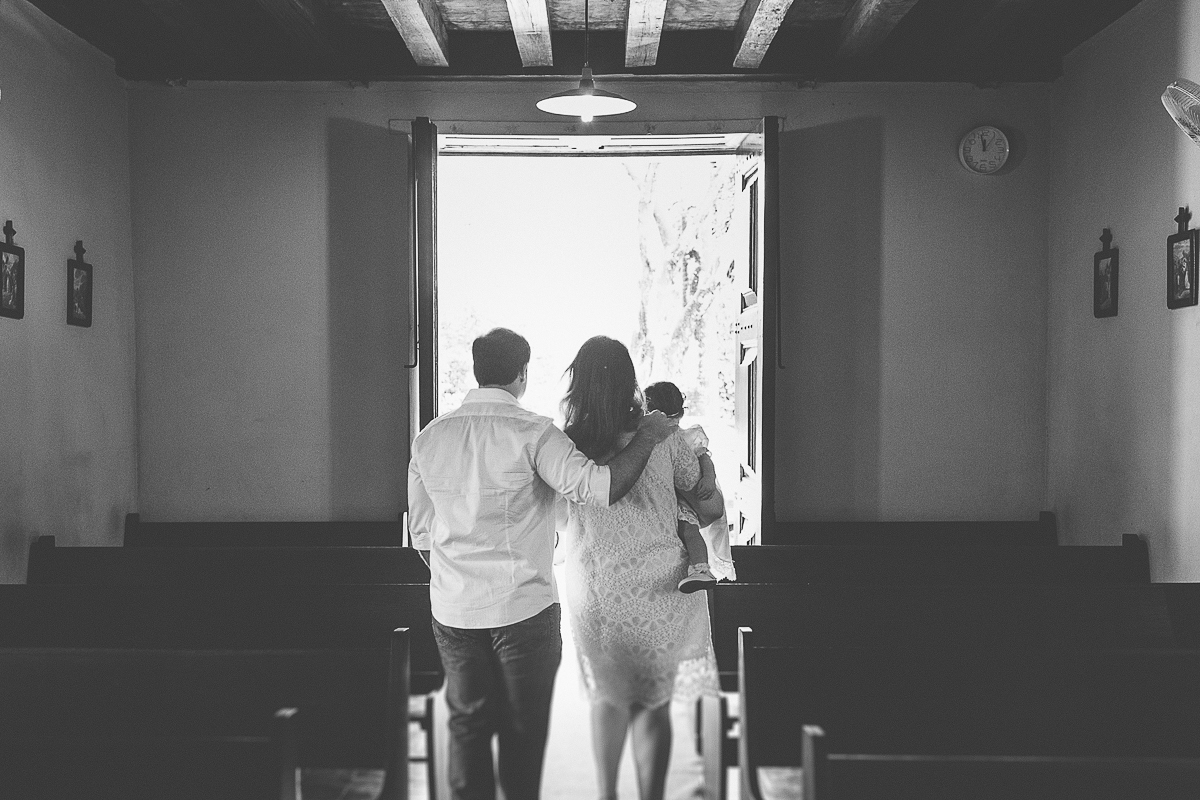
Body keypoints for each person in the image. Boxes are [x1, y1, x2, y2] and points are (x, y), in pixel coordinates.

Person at [407, 327, 679, 800]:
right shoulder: (534, 434)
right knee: (522, 734)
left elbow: (422, 533)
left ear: (477, 370)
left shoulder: (430, 439)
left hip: (453, 610)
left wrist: (458, 575)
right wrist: (649, 436)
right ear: (522, 374)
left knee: (467, 729)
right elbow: (601, 488)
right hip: (524, 610)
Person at [558, 336, 720, 800]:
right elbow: (701, 497)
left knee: (608, 699)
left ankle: (607, 794)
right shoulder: (664, 436)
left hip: (598, 586)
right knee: (654, 704)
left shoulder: (570, 444)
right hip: (661, 584)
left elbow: (555, 513)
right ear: (630, 381)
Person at [643, 381, 736, 591]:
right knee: (687, 530)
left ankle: (702, 570)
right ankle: (699, 569)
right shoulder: (651, 439)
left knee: (689, 530)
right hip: (670, 498)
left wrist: (709, 479)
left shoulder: (688, 436)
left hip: (686, 500)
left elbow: (705, 459)